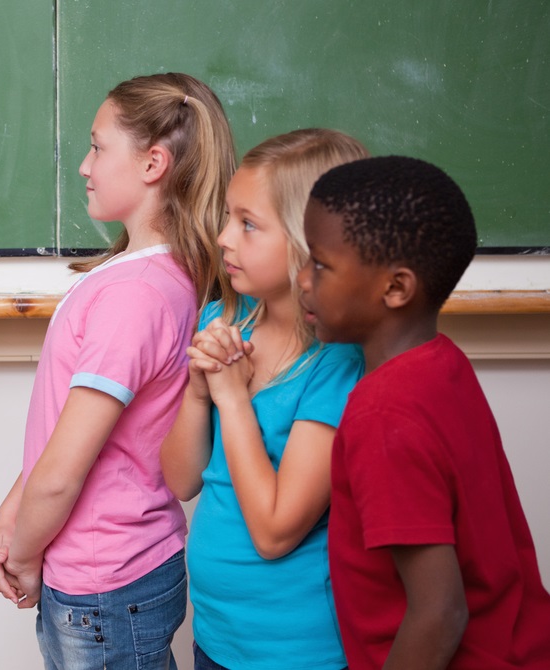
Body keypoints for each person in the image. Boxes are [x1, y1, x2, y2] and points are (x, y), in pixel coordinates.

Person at [0, 72, 235, 669]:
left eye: (98, 147)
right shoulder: (142, 276)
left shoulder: (135, 297)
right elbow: (68, 438)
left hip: (103, 583)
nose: (84, 166)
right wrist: (11, 512)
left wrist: (22, 551)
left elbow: (63, 475)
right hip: (111, 576)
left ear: (153, 163)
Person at [299, 155, 550, 669]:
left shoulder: (382, 416)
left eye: (321, 264)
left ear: (395, 288)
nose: (303, 279)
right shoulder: (443, 364)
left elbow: (440, 613)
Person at [159, 129, 367, 669]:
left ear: (309, 244)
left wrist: (231, 399)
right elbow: (181, 480)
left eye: (248, 224)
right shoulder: (222, 321)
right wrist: (199, 393)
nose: (224, 238)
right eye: (229, 217)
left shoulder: (336, 365)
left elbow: (276, 532)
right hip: (217, 637)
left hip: (297, 650)